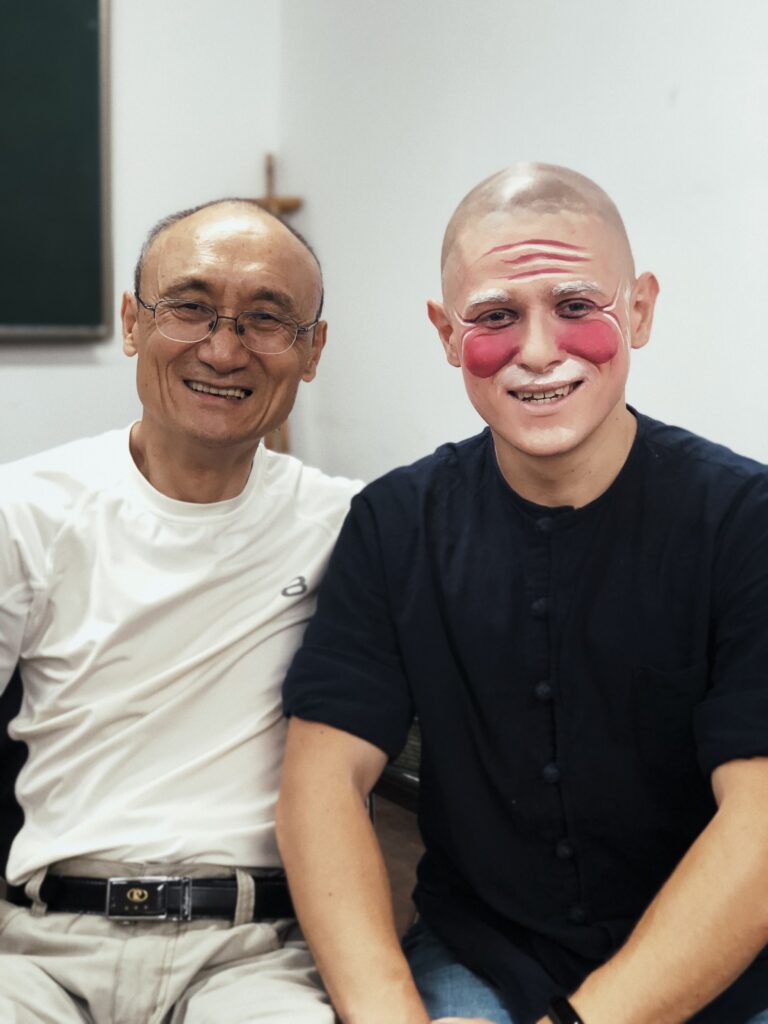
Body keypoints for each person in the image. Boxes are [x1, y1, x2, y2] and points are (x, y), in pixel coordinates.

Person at [278, 163, 768, 1024]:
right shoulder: (395, 525)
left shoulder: (746, 521)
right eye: (497, 317)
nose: (539, 352)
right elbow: (320, 790)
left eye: (578, 307)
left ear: (640, 309)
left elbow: (761, 823)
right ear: (444, 332)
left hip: (723, 968)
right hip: (484, 958)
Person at [0, 198, 361, 1023]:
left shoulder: (351, 526)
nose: (224, 348)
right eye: (190, 308)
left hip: (251, 959)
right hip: (40, 948)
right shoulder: (25, 509)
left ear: (313, 351)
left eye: (268, 320)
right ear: (132, 322)